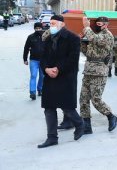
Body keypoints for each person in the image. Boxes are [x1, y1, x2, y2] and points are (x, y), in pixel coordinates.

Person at [37, 15, 84, 148]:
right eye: (50, 24)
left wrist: (58, 69)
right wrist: (46, 69)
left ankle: (79, 124)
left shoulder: (73, 38)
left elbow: (73, 59)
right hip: (50, 76)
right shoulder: (47, 39)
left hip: (65, 76)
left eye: (53, 23)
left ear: (62, 24)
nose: (50, 26)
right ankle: (52, 137)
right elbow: (43, 57)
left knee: (67, 107)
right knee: (49, 107)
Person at [79, 16, 117, 134]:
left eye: (100, 24)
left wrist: (86, 27)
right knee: (83, 99)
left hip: (99, 71)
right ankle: (86, 126)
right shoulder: (94, 35)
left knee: (96, 98)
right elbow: (86, 52)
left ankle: (111, 116)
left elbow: (96, 39)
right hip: (88, 70)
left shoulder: (107, 35)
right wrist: (81, 41)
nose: (97, 25)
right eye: (96, 23)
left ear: (106, 25)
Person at [23, 22, 45, 100]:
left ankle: (40, 89)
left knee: (42, 76)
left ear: (42, 28)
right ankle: (32, 92)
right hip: (33, 60)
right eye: (36, 28)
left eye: (39, 28)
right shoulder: (30, 37)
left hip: (43, 60)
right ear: (34, 29)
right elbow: (26, 48)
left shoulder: (45, 37)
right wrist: (25, 59)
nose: (38, 30)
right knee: (33, 75)